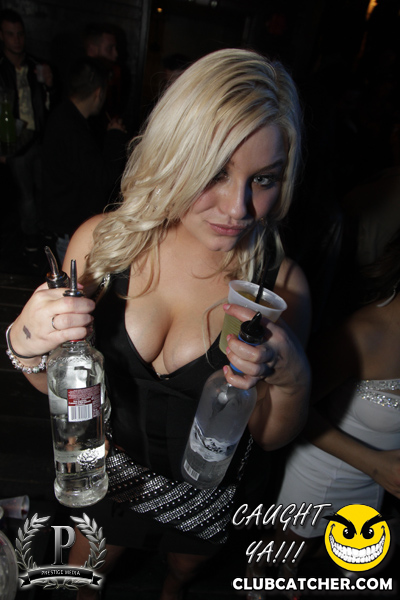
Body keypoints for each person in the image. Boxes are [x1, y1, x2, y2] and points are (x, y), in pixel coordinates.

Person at [6, 48, 311, 600]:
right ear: (175, 154)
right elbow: (63, 387)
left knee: (183, 573)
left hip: (204, 492)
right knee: (84, 577)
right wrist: (26, 341)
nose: (238, 209)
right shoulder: (103, 245)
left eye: (263, 179)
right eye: (215, 172)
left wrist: (290, 375)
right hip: (111, 476)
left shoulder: (279, 286)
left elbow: (271, 436)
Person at [271, 227, 400, 589]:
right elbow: (291, 415)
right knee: (287, 555)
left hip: (380, 482)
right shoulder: (363, 334)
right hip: (324, 475)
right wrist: (375, 465)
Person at [41, 57, 127, 264]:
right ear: (98, 93)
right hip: (70, 231)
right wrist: (115, 136)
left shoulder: (67, 116)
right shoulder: (70, 127)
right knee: (75, 283)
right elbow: (102, 177)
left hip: (66, 224)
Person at [0, 8, 56, 250]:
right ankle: (31, 237)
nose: (16, 39)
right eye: (10, 34)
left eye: (20, 34)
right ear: (2, 36)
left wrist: (50, 85)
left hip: (39, 138)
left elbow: (50, 103)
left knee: (44, 189)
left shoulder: (35, 65)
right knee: (25, 194)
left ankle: (43, 231)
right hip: (14, 141)